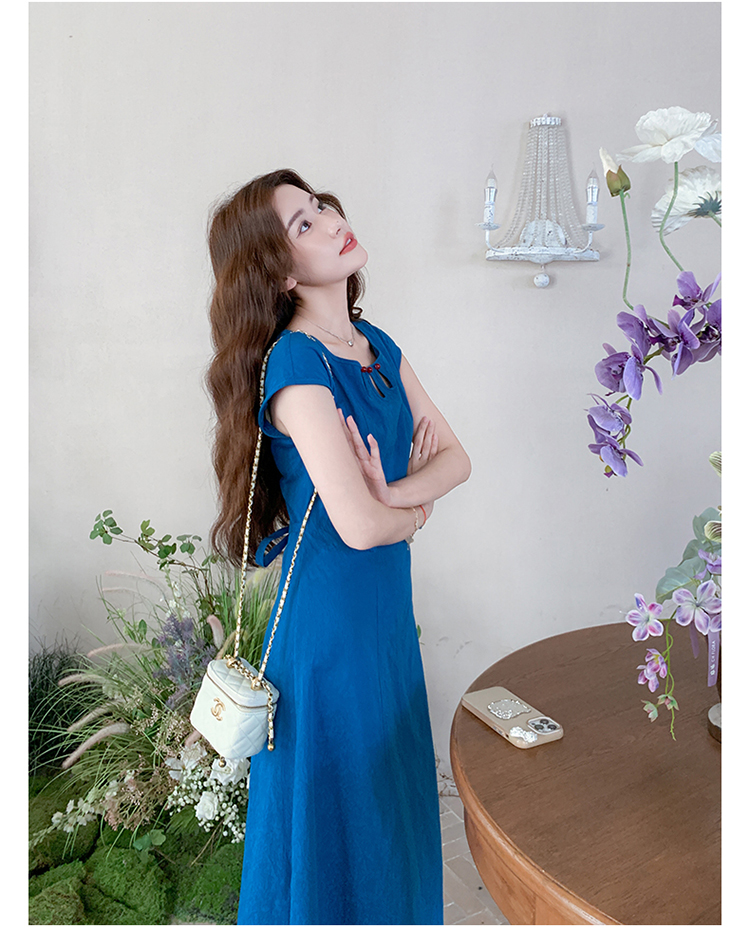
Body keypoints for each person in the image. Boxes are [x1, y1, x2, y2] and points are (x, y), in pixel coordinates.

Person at [206, 168, 471, 925]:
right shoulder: (295, 364)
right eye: (303, 224)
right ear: (282, 273)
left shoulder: (375, 344)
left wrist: (394, 494)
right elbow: (358, 527)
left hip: (383, 618)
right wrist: (413, 508)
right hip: (329, 632)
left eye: (320, 206)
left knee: (388, 807)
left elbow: (458, 459)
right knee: (346, 815)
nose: (329, 220)